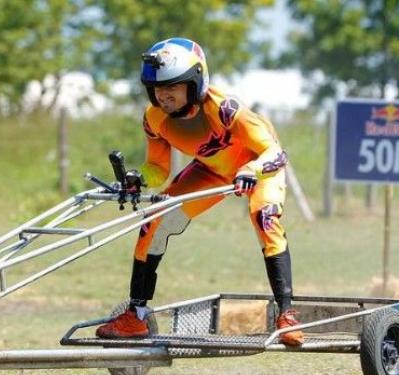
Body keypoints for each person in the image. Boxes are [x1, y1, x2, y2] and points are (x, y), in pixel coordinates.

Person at [95, 37, 304, 346]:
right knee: (154, 221)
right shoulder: (154, 119)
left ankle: (287, 316)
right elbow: (158, 168)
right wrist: (139, 178)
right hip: (212, 171)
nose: (162, 96)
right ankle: (135, 316)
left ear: (194, 83)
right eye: (155, 89)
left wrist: (250, 171)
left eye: (171, 87)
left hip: (258, 168)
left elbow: (275, 153)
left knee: (265, 218)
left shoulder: (225, 110)